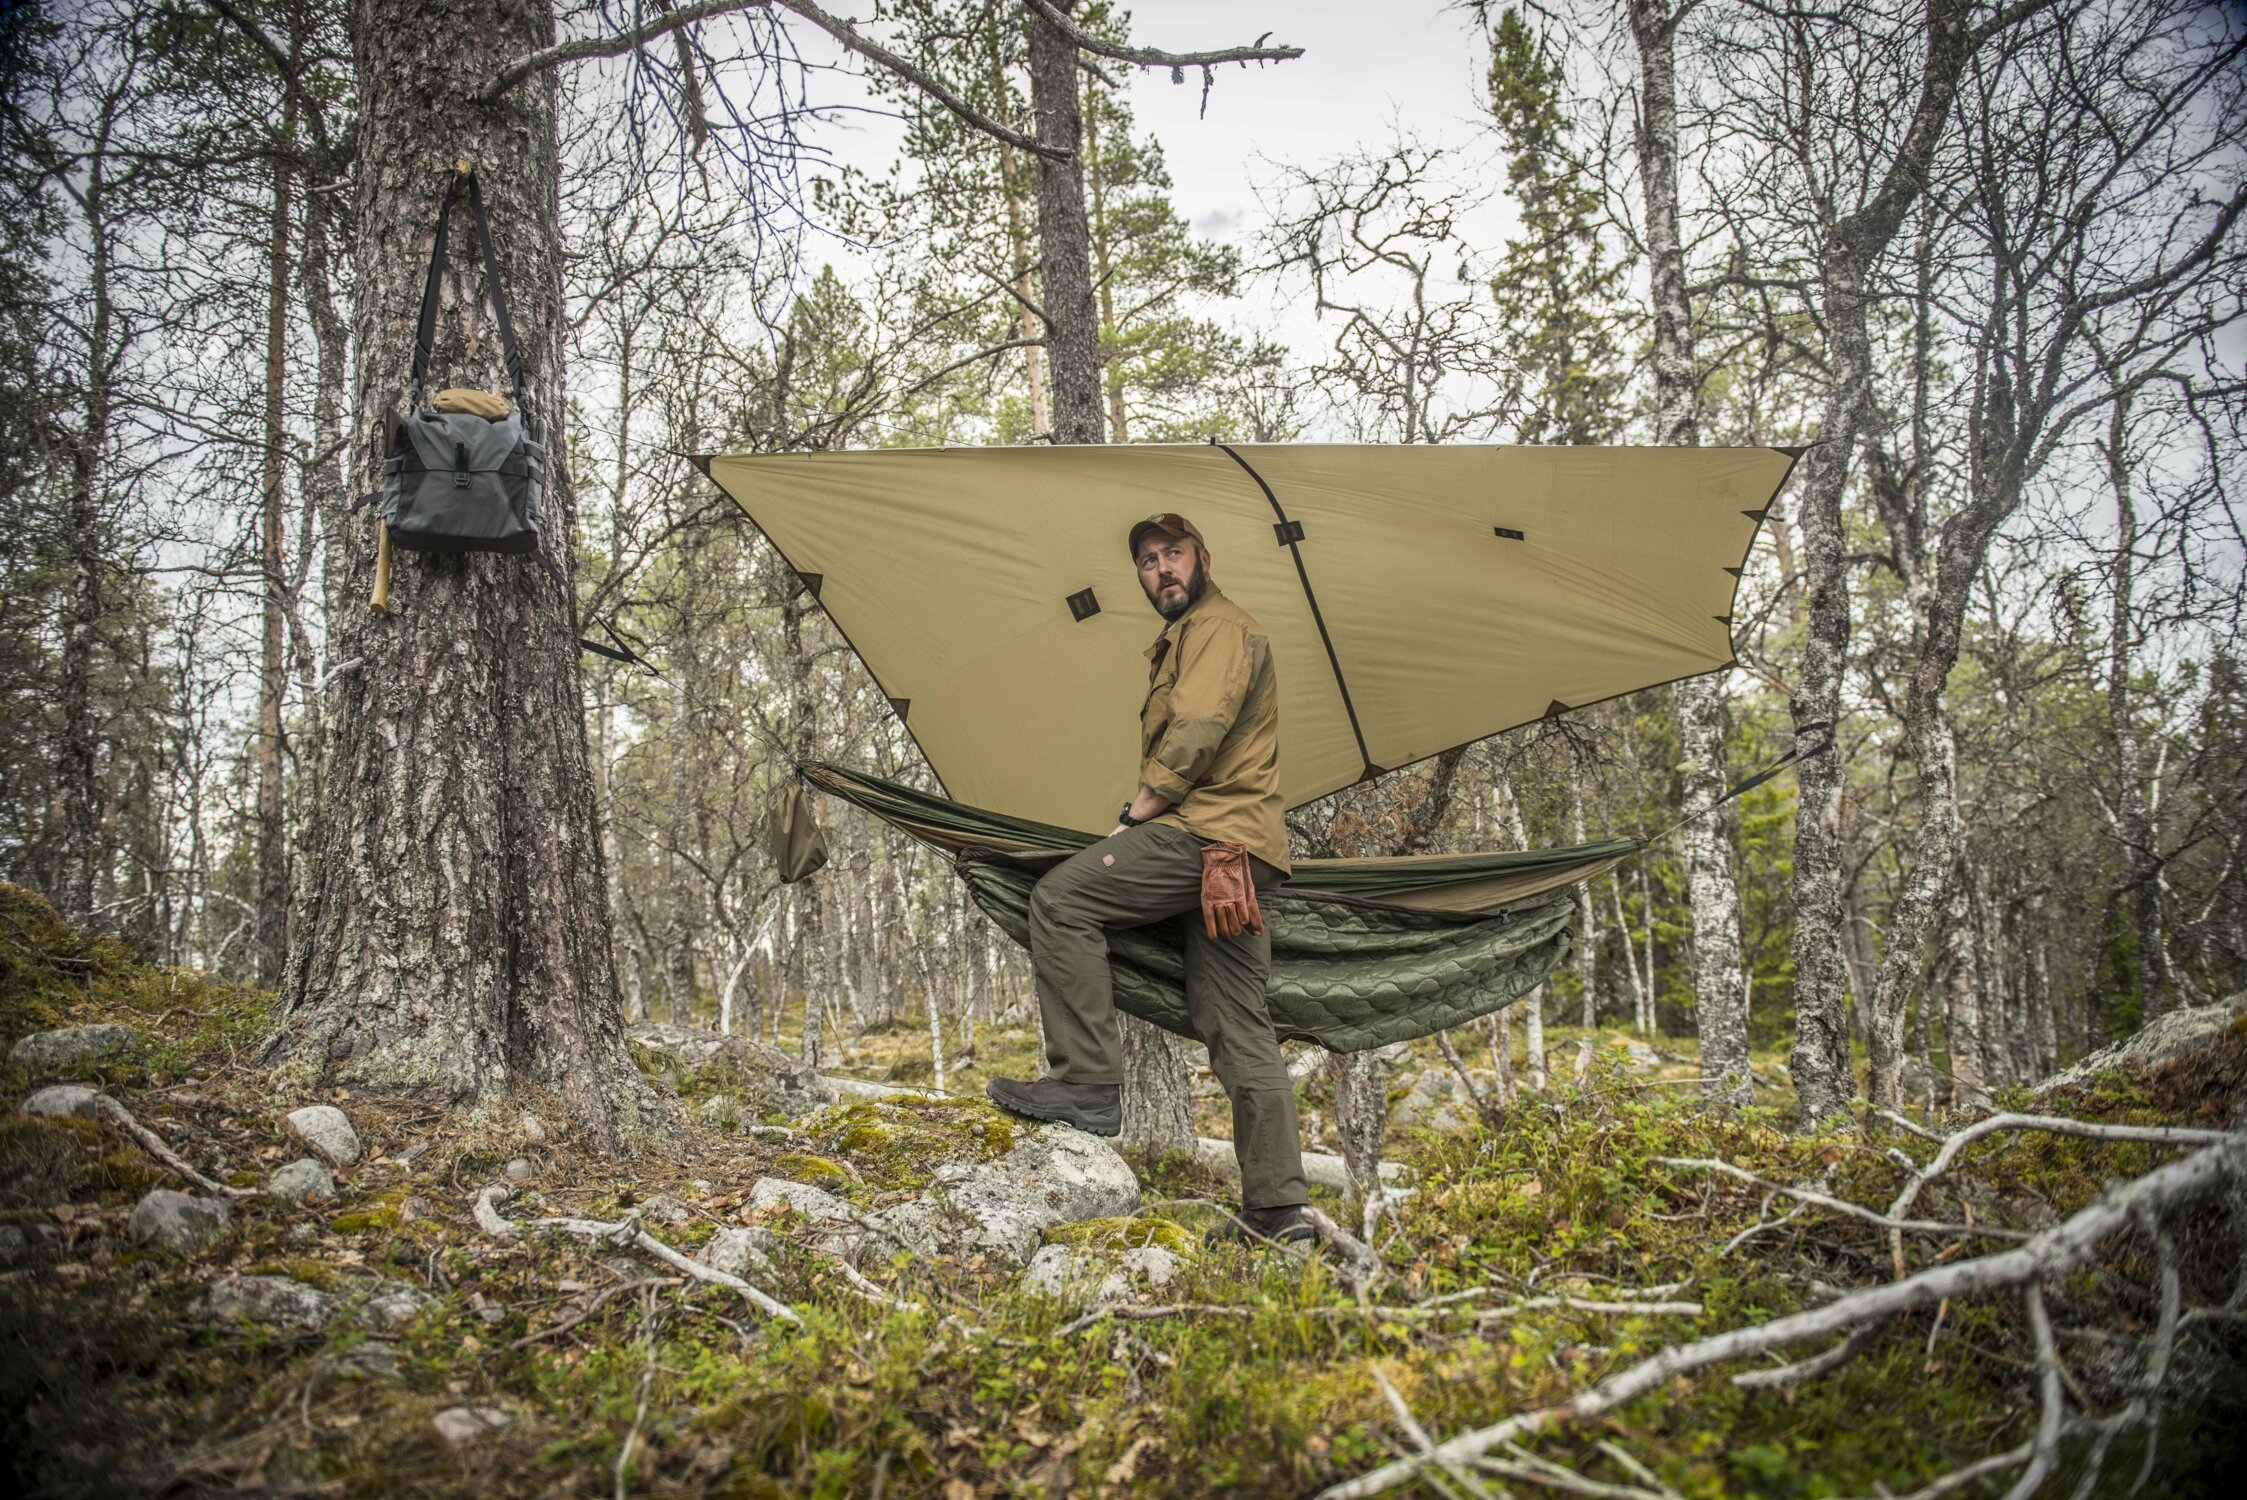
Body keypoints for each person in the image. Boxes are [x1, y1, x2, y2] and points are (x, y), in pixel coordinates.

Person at [985, 513, 1312, 1246]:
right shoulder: (1189, 634)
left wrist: (1135, 818)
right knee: (1237, 1026)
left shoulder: (1217, 627)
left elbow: (1195, 730)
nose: (1161, 569)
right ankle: (1277, 1211)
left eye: (1173, 554)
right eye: (1147, 561)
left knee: (1061, 898)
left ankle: (1088, 1084)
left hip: (1203, 838)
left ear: (1202, 558)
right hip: (1240, 855)